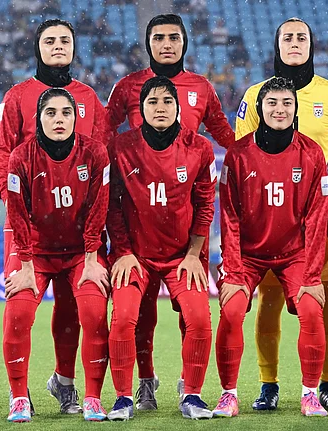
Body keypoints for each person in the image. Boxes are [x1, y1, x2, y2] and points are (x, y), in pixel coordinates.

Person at [106, 13, 234, 408]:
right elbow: (100, 140)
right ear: (148, 44)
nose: (166, 44)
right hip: (138, 232)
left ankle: (188, 388)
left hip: (181, 238)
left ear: (184, 42)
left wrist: (269, 154)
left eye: (173, 37)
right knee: (134, 317)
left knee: (194, 316)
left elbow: (228, 138)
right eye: (158, 37)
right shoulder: (126, 89)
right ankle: (139, 386)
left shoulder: (201, 91)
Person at [0, 18, 109, 416]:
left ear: (74, 48)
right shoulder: (18, 95)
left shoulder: (89, 97)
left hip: (78, 226)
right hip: (28, 224)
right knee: (21, 304)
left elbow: (100, 154)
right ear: (37, 47)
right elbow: (1, 151)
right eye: (50, 40)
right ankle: (20, 395)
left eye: (65, 40)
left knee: (76, 306)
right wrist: (16, 200)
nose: (58, 46)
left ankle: (66, 384)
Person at [234, 17, 328, 411]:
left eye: (302, 37)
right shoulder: (254, 95)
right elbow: (243, 156)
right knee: (268, 303)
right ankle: (269, 383)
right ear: (277, 45)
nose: (295, 43)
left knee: (321, 300)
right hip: (269, 221)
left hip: (319, 218)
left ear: (311, 44)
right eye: (288, 37)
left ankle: (327, 382)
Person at [214, 77, 328, 418]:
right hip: (248, 255)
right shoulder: (238, 154)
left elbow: (316, 218)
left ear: (295, 110)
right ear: (260, 109)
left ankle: (310, 394)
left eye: (286, 104)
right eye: (272, 103)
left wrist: (310, 275)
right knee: (232, 309)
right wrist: (233, 272)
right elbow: (230, 218)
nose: (280, 109)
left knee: (311, 309)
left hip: (295, 255)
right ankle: (228, 395)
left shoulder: (311, 153)